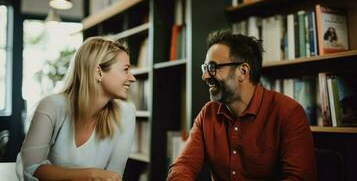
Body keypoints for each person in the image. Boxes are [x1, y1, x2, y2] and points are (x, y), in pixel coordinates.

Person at [167, 30, 317, 180]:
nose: (205, 76)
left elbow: (299, 178)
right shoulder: (208, 113)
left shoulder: (288, 113)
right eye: (205, 68)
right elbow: (183, 165)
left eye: (212, 67)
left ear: (243, 72)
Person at [16, 37, 136, 181]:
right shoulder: (52, 106)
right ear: (99, 72)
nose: (132, 78)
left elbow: (113, 176)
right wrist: (91, 174)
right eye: (126, 69)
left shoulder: (126, 113)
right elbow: (31, 169)